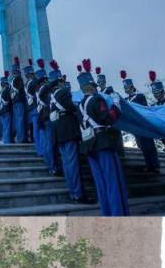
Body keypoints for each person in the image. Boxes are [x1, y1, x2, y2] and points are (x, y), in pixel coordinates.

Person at [77, 60, 130, 216]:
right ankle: (118, 215)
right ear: (93, 85)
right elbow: (108, 118)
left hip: (89, 146)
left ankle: (107, 214)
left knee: (101, 184)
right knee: (112, 182)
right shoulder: (97, 99)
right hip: (103, 144)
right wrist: (116, 105)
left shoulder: (79, 105)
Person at [47, 62, 89, 203]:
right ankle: (79, 194)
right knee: (73, 163)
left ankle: (72, 192)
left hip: (58, 133)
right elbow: (71, 107)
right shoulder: (65, 92)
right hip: (69, 131)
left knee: (66, 163)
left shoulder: (51, 97)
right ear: (60, 81)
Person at [120, 71, 161, 175]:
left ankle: (155, 165)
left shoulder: (140, 96)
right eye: (125, 88)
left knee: (149, 145)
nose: (126, 90)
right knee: (142, 146)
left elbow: (144, 110)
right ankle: (148, 165)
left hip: (143, 125)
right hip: (135, 126)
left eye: (128, 88)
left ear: (132, 87)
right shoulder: (126, 99)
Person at [10, 58, 28, 144]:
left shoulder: (11, 81)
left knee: (17, 120)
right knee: (20, 119)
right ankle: (21, 138)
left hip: (14, 102)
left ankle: (19, 137)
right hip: (19, 101)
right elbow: (21, 89)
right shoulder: (18, 79)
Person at [0, 73, 13, 144]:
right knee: (7, 126)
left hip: (2, 111)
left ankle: (5, 140)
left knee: (4, 127)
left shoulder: (0, 92)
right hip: (7, 110)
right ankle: (7, 141)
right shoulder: (7, 90)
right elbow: (9, 100)